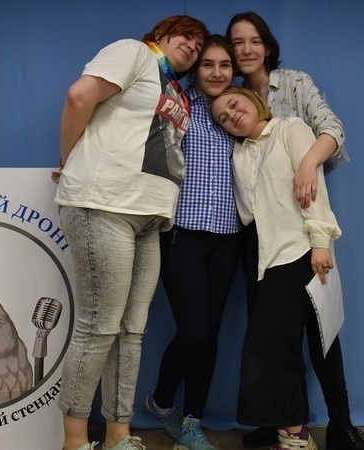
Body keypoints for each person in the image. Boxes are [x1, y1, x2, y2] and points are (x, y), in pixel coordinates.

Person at [52, 15, 208, 450]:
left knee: (131, 332)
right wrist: (69, 161)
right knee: (99, 327)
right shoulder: (135, 52)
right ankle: (74, 441)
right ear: (161, 34)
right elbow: (79, 96)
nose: (193, 48)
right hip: (104, 203)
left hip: (150, 218)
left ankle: (119, 435)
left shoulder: (175, 89)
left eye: (200, 46)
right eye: (186, 36)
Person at [226, 12, 364, 450]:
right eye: (237, 42)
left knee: (320, 328)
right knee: (272, 333)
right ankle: (278, 420)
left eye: (254, 40)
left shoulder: (293, 85)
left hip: (303, 225)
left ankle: (341, 425)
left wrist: (308, 162)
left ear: (267, 46)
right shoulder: (229, 99)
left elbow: (332, 129)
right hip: (259, 235)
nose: (246, 49)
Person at [210, 86, 338, 450]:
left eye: (233, 104)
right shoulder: (239, 152)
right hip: (259, 253)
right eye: (223, 118)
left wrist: (321, 241)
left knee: (269, 344)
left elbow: (313, 184)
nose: (231, 115)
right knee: (275, 344)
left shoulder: (289, 128)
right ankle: (283, 429)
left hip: (296, 247)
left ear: (250, 99)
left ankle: (296, 436)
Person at [144, 35, 241, 450]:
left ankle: (191, 423)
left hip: (229, 236)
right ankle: (162, 401)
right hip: (182, 233)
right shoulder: (178, 104)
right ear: (195, 69)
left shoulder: (241, 109)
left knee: (212, 331)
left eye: (225, 65)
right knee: (195, 331)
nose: (217, 73)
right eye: (208, 64)